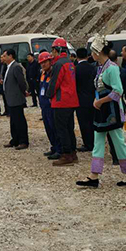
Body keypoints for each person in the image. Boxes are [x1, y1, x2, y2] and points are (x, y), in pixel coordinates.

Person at [77, 36, 126, 186]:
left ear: (98, 53)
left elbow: (118, 91)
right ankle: (94, 175)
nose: (92, 55)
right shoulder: (100, 68)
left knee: (118, 142)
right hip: (102, 111)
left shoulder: (112, 69)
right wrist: (96, 101)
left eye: (93, 52)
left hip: (111, 112)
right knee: (98, 142)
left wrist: (100, 101)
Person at [47, 38, 79, 166]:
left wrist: (49, 95)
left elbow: (55, 83)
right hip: (71, 100)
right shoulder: (70, 63)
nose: (52, 53)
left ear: (57, 50)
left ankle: (66, 154)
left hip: (61, 101)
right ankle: (73, 153)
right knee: (69, 128)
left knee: (61, 129)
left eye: (53, 50)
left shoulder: (59, 64)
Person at [0, 49, 29, 149]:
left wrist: (23, 92)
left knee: (19, 120)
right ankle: (15, 139)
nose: (3, 58)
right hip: (10, 98)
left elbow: (21, 82)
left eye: (5, 56)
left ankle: (23, 141)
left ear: (10, 56)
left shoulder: (16, 66)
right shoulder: (8, 67)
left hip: (16, 98)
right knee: (13, 121)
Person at [38, 52, 60, 160]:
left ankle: (59, 149)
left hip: (51, 106)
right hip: (44, 106)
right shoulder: (42, 74)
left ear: (50, 61)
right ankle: (53, 147)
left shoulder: (53, 74)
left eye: (45, 62)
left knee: (54, 127)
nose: (43, 64)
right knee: (48, 128)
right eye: (41, 63)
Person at [74, 49, 96, 153]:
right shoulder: (93, 68)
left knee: (84, 123)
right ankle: (95, 141)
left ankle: (88, 144)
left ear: (77, 57)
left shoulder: (76, 69)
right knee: (93, 122)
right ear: (87, 56)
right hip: (93, 98)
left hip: (80, 100)